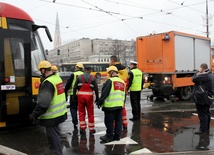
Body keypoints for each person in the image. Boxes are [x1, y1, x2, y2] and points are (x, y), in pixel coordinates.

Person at [29, 60, 67, 155]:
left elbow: (43, 103)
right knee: (55, 136)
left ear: (43, 70)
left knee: (53, 139)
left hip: (51, 116)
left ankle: (57, 153)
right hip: (59, 113)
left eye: (40, 71)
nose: (40, 73)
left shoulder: (48, 83)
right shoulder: (57, 78)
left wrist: (34, 114)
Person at [97, 66, 126, 143]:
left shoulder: (109, 81)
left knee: (109, 122)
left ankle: (109, 136)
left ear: (112, 72)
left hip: (110, 106)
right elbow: (124, 95)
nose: (109, 74)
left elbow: (105, 93)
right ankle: (117, 136)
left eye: (109, 73)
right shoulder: (122, 82)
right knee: (118, 122)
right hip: (119, 106)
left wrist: (99, 101)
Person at [73, 66, 99, 135]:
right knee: (90, 113)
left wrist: (74, 96)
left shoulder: (79, 77)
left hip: (80, 96)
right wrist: (97, 98)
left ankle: (82, 128)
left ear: (84, 70)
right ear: (90, 70)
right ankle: (91, 129)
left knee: (81, 112)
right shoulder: (93, 78)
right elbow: (96, 89)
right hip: (89, 97)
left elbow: (74, 87)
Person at [191, 63, 214, 134]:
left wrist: (197, 72)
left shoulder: (205, 75)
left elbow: (194, 79)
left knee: (202, 114)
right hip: (209, 96)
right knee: (206, 112)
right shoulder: (211, 75)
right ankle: (206, 128)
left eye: (200, 68)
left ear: (202, 68)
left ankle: (203, 129)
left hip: (202, 97)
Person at [109, 55, 128, 129]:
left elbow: (109, 81)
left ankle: (114, 125)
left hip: (114, 91)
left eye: (110, 60)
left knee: (113, 109)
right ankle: (125, 123)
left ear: (113, 60)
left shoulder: (112, 69)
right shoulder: (124, 68)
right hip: (122, 90)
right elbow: (126, 79)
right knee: (122, 108)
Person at [65, 63, 84, 128]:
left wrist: (65, 92)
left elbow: (68, 84)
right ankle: (82, 122)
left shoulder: (73, 74)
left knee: (73, 108)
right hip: (82, 95)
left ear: (77, 68)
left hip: (73, 94)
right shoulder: (84, 75)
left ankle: (75, 121)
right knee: (81, 109)